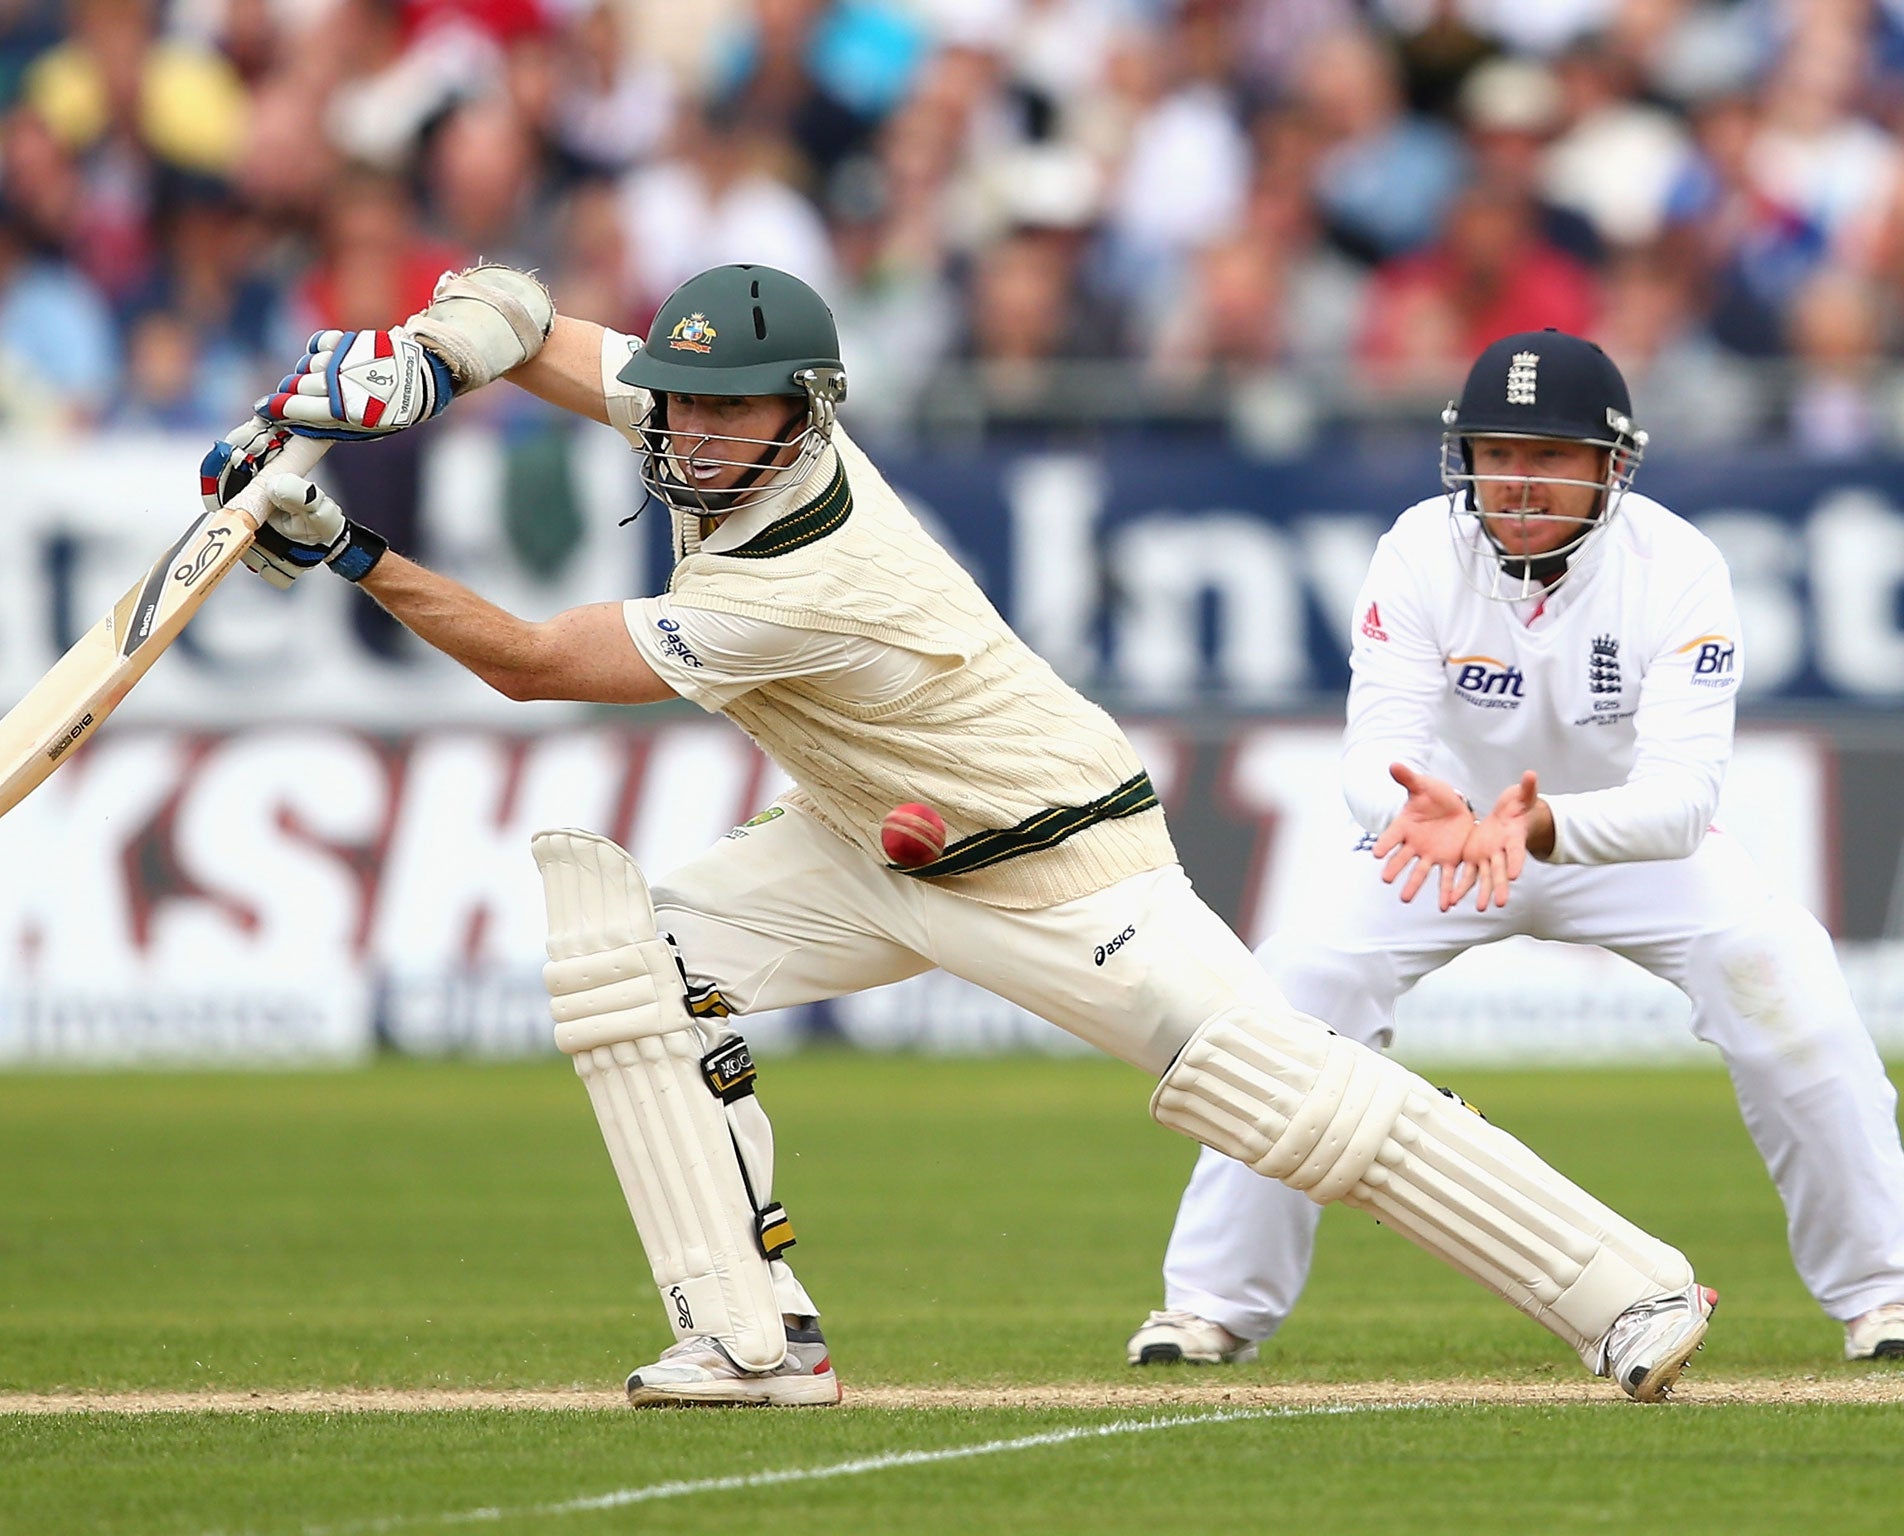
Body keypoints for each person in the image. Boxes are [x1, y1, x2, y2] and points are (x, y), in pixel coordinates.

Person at [203, 269, 1719, 1406]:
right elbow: (521, 311)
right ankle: (746, 1335)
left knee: (1280, 1099)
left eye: (741, 411)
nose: (703, 435)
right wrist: (413, 360)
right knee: (632, 961)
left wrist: (340, 542)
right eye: (685, 403)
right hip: (871, 843)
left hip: (1065, 864)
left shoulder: (801, 565)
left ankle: (1624, 1287)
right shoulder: (698, 417)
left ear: (807, 421)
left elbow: (535, 663)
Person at [1127, 329, 1904, 1372]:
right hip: (1445, 838)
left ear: (1609, 466)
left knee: (1790, 990)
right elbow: (1374, 752)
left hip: (1623, 844)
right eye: (1496, 452)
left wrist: (1540, 827)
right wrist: (1413, 811)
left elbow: (1677, 803)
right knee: (1291, 996)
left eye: (1549, 455)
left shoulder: (1676, 565)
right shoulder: (1416, 547)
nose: (1518, 480)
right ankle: (1208, 1308)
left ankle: (1883, 1294)